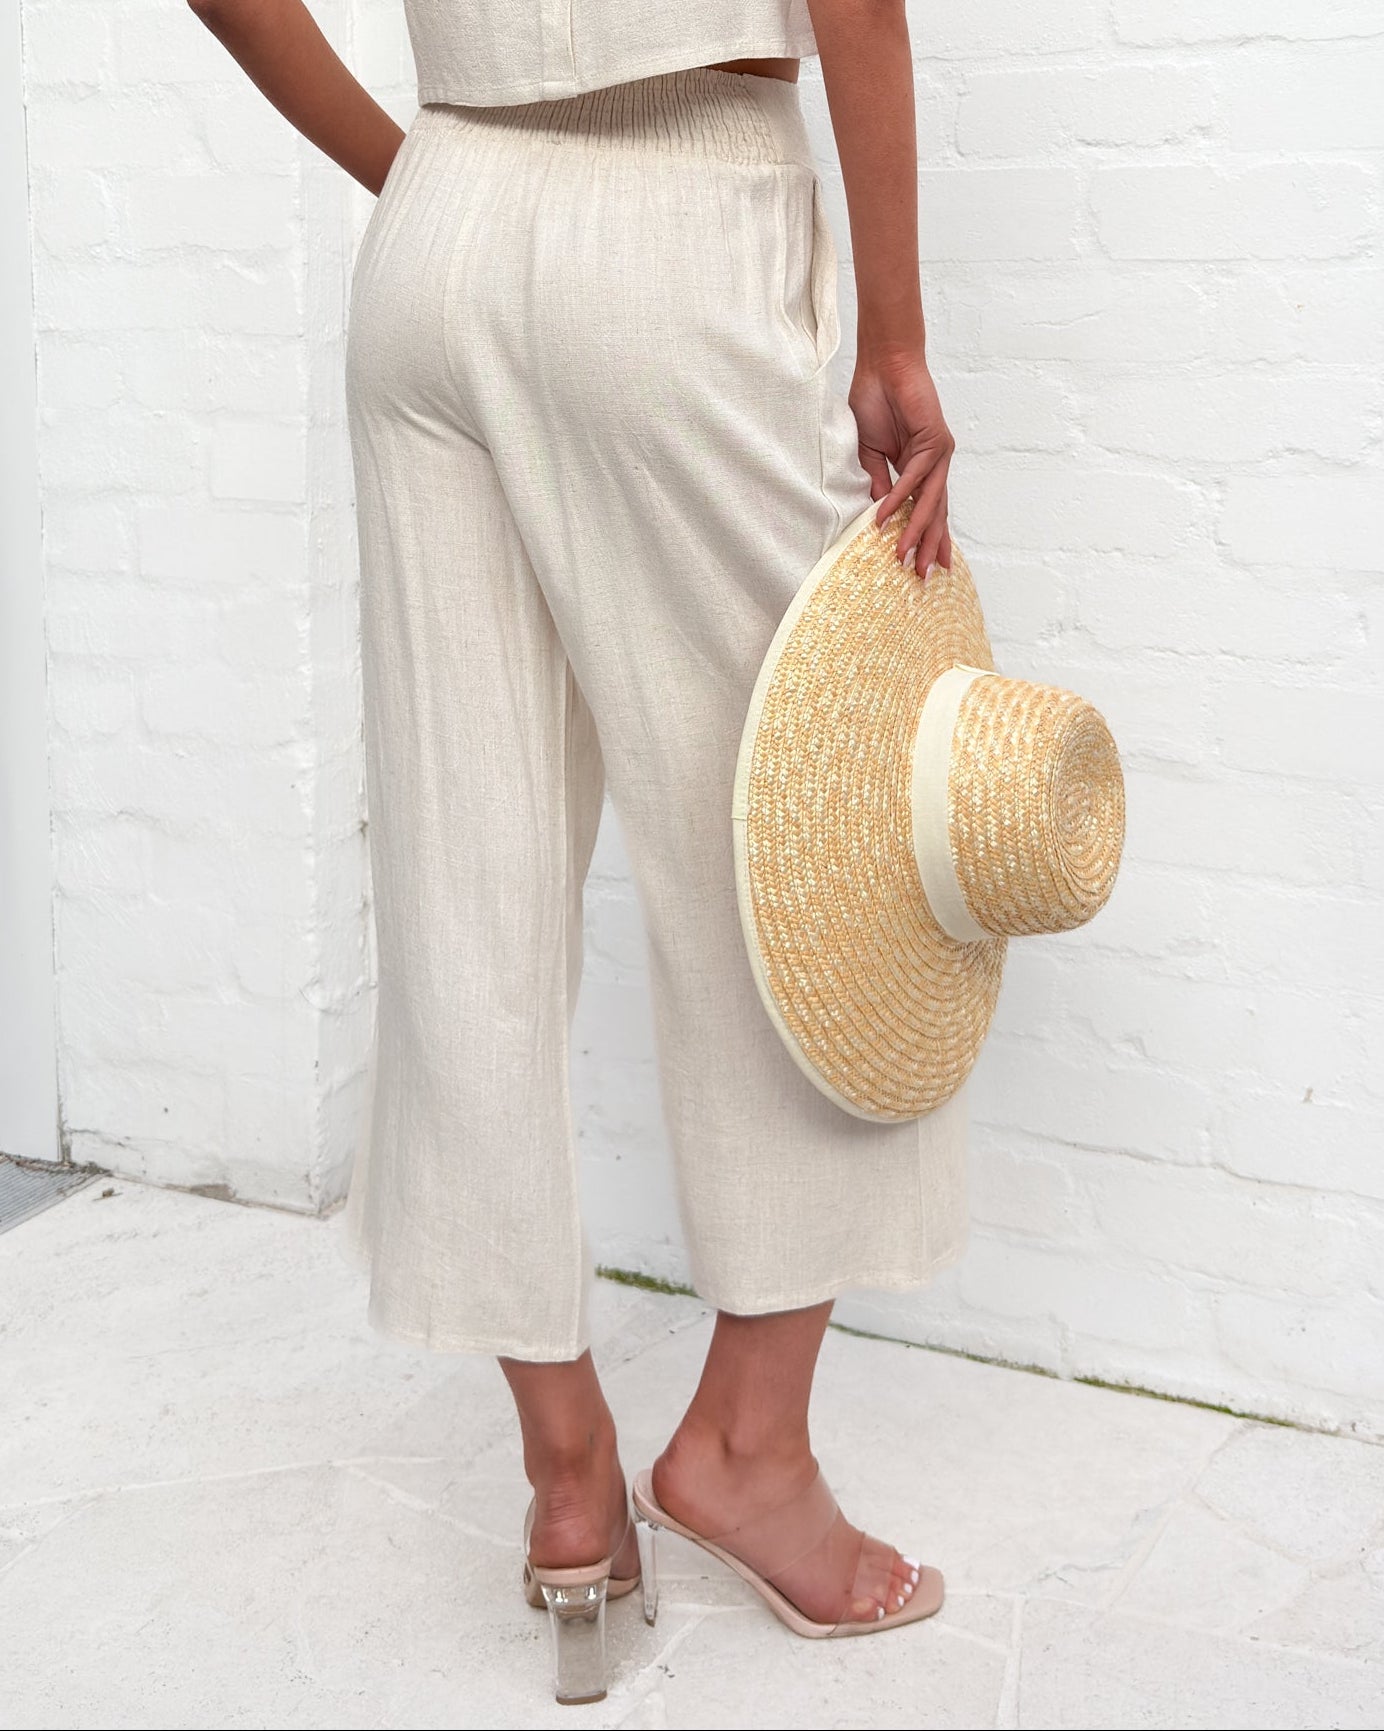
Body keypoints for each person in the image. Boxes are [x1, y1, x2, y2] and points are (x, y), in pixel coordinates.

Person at [191, 0, 962, 1702]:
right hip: (683, 231)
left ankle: (565, 1474)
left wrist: (432, 186)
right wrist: (897, 334)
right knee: (814, 845)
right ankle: (748, 1453)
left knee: (464, 882)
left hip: (437, 237)